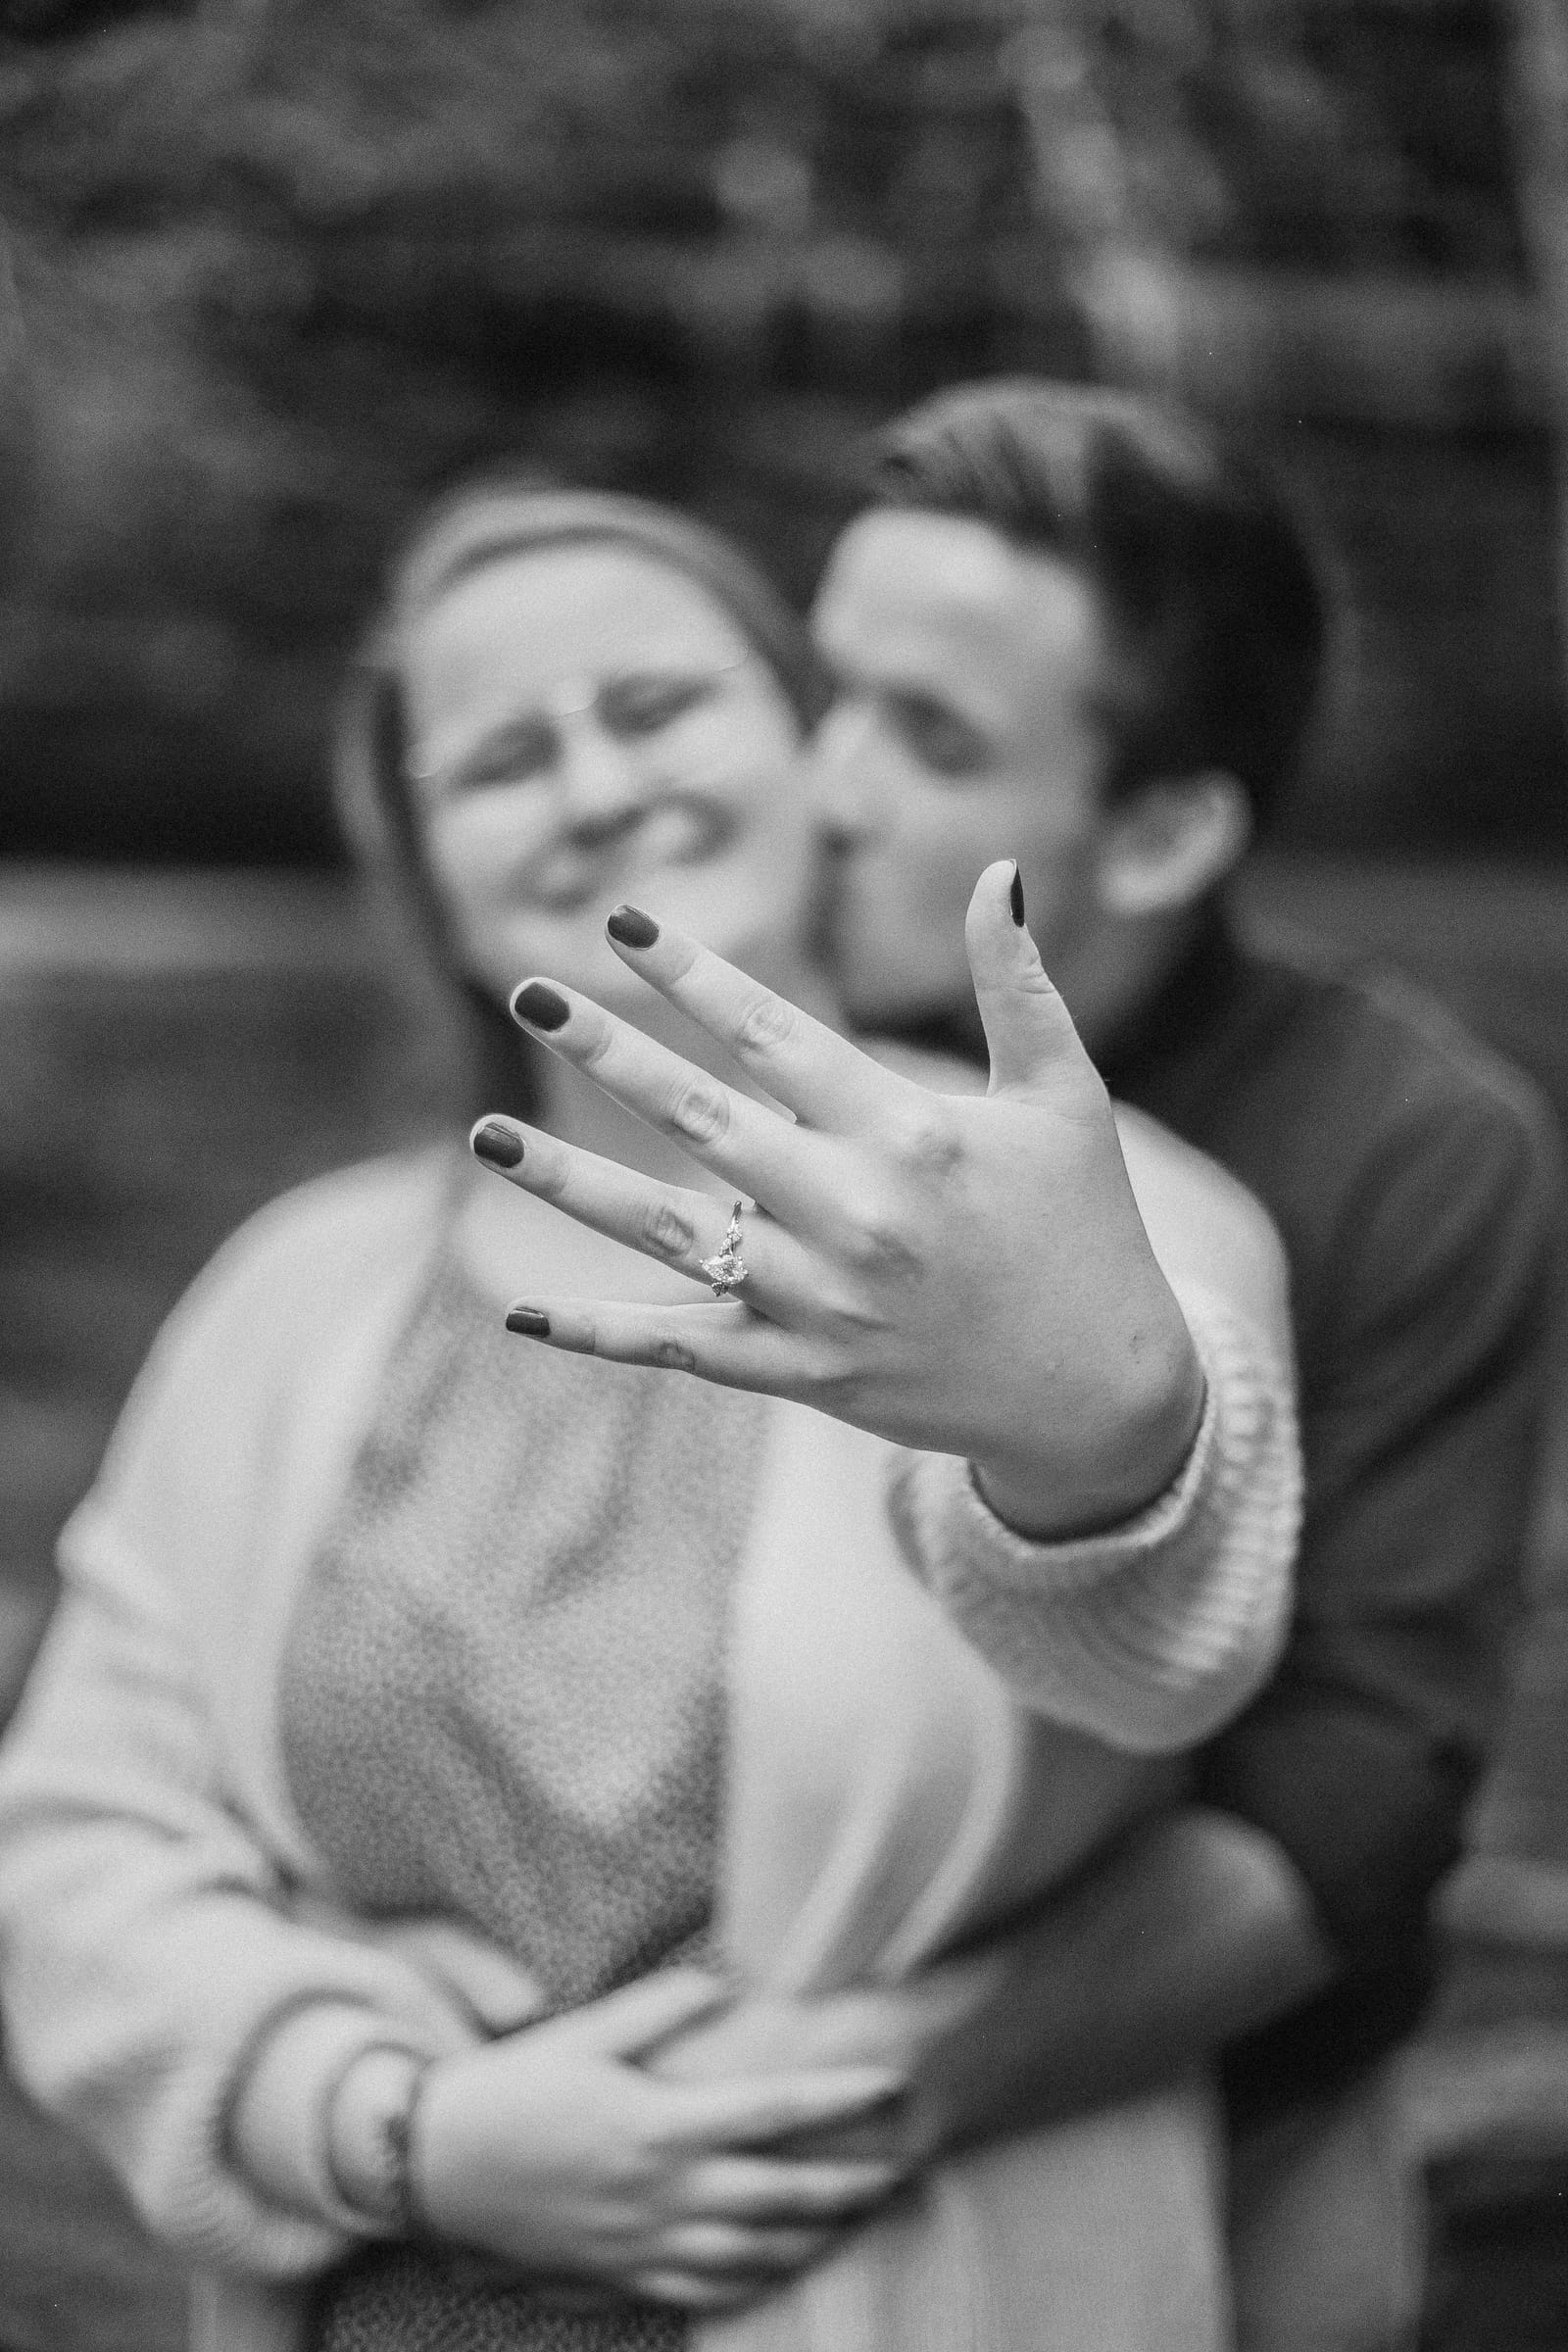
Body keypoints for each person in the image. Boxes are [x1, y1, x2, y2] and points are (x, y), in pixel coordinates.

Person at [0, 479, 1300, 2352]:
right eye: (504, 758)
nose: (599, 790)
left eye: (660, 708)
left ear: (818, 758)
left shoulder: (1096, 1219)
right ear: (428, 876)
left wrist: (1086, 1442)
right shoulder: (293, 1297)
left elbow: (1167, 1651)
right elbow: (86, 1841)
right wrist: (388, 2128)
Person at [788, 379, 1564, 2349]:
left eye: (928, 735)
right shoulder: (740, 1027)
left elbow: (1359, 1801)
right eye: (826, 690)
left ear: (1163, 825)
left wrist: (847, 2099)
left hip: (1226, 2131)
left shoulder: (1410, 1153)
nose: (824, 786)